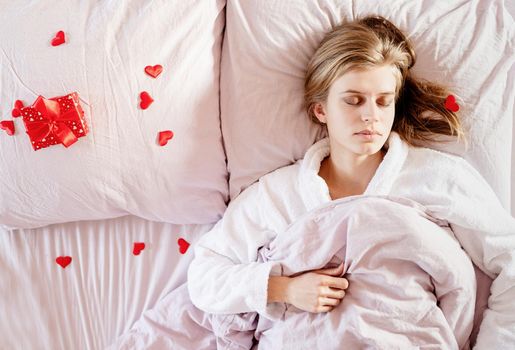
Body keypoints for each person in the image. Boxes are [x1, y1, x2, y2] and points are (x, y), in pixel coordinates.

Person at [186, 15, 515, 349]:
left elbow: (510, 262)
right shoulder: (279, 195)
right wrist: (282, 289)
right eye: (353, 100)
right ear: (320, 110)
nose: (370, 115)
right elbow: (204, 276)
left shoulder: (438, 177)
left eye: (384, 101)